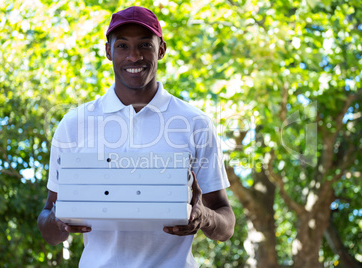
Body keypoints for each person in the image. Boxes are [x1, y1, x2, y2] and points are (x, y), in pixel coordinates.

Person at [37, 6, 235, 267]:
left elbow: (226, 222)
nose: (134, 56)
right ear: (108, 51)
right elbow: (48, 223)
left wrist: (204, 218)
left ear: (161, 50)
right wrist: (59, 222)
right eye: (122, 46)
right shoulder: (75, 124)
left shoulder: (195, 123)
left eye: (145, 45)